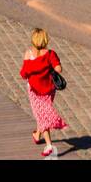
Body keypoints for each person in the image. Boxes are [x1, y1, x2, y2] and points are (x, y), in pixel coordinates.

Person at [19, 28, 67, 158]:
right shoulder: (50, 54)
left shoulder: (28, 54)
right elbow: (59, 69)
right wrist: (49, 69)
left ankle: (49, 146)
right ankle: (37, 135)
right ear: (45, 40)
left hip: (34, 90)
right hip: (49, 90)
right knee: (42, 112)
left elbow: (23, 74)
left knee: (41, 115)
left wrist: (32, 69)